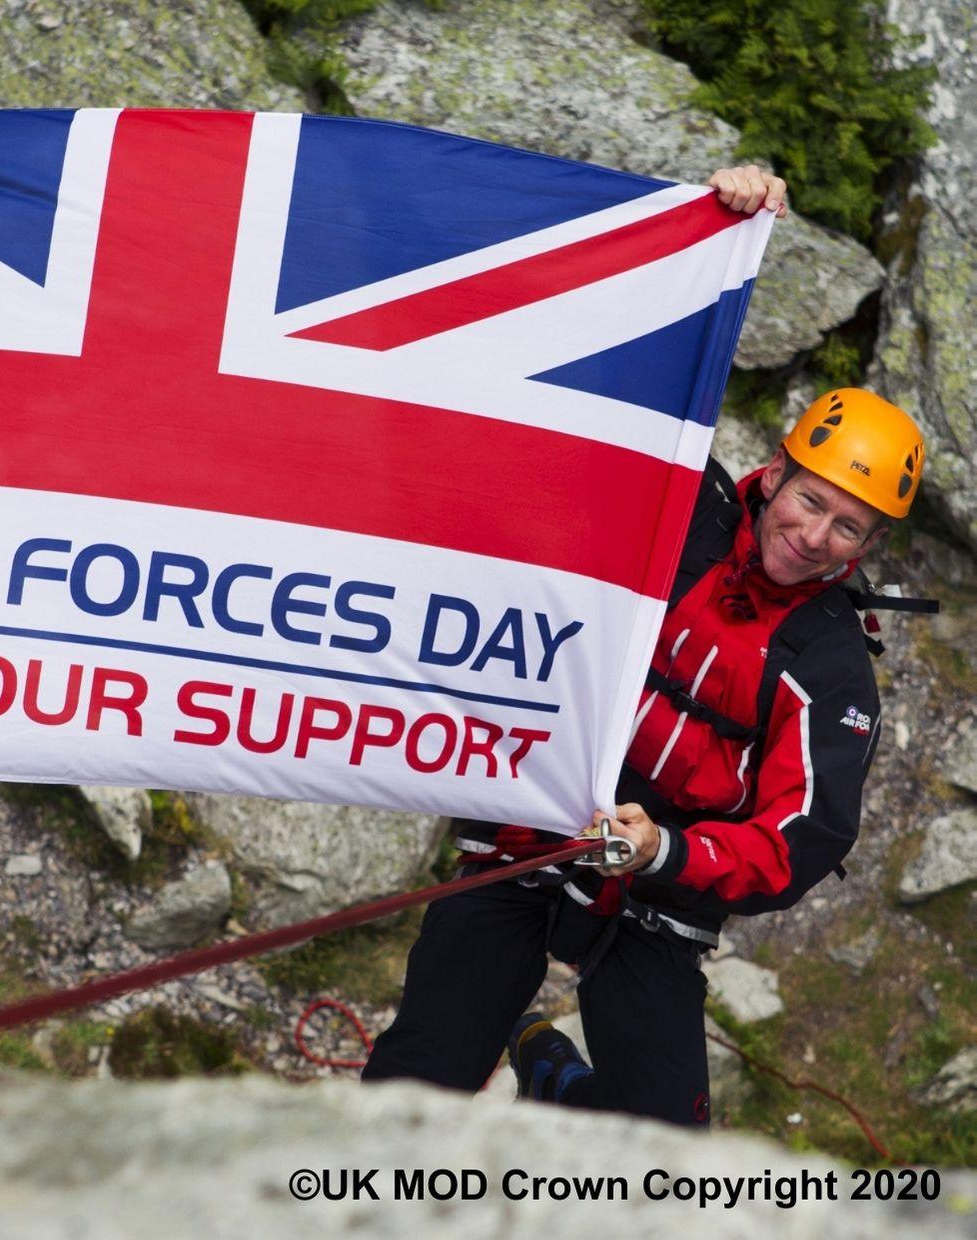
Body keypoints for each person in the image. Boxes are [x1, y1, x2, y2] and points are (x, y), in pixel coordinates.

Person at [361, 167, 927, 1126]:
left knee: (663, 1159)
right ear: (775, 471)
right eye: (810, 499)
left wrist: (666, 847)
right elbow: (607, 380)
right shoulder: (676, 508)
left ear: (870, 549)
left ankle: (558, 1084)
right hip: (530, 832)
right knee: (421, 1077)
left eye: (849, 529)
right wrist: (715, 217)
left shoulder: (831, 665)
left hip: (663, 889)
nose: (815, 535)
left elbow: (801, 838)